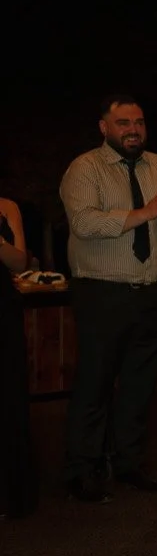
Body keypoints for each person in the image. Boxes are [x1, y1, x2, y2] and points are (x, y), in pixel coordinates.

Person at [59, 96, 157, 501]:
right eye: (123, 123)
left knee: (140, 387)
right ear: (104, 127)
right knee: (95, 384)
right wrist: (147, 210)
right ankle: (81, 470)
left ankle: (129, 465)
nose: (133, 130)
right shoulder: (85, 168)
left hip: (154, 293)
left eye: (138, 122)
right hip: (103, 292)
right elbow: (85, 223)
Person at [0, 183, 37, 518]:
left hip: (1, 305)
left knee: (6, 397)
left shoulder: (7, 206)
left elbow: (19, 261)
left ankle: (9, 494)